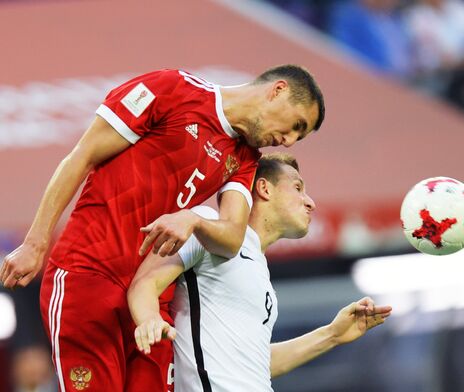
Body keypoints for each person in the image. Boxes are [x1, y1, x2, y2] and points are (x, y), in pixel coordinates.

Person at [0, 65, 325, 391]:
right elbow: (81, 156)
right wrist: (36, 242)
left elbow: (231, 238)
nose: (289, 141)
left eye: (300, 136)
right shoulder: (172, 90)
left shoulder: (244, 159)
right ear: (278, 90)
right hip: (89, 275)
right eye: (296, 125)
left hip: (153, 304)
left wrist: (195, 220)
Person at [128, 153, 392, 391]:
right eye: (298, 188)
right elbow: (145, 283)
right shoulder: (206, 226)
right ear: (264, 188)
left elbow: (254, 366)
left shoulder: (259, 271)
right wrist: (149, 317)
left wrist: (332, 335)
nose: (310, 202)